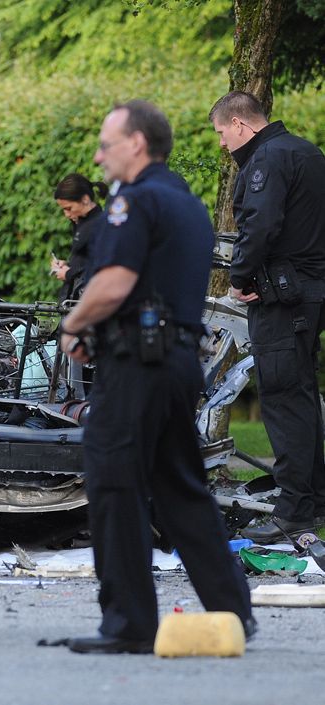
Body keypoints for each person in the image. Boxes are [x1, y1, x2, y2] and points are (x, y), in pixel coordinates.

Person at [57, 100, 254, 654]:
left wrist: (73, 324)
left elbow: (115, 281)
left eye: (106, 144)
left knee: (115, 483)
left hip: (136, 365)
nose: (99, 157)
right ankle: (235, 612)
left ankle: (128, 624)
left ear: (136, 144)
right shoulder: (187, 204)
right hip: (178, 362)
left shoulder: (134, 201)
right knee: (180, 489)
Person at [209, 91, 325, 543]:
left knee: (282, 399)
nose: (221, 143)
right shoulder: (308, 152)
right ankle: (312, 498)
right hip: (311, 293)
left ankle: (294, 511)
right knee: (301, 396)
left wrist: (238, 279)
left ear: (240, 124)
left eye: (221, 132)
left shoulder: (266, 161)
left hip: (281, 296)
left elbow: (259, 225)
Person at [50, 173, 107, 301]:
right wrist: (66, 264)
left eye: (69, 208)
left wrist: (68, 273)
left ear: (85, 199)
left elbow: (99, 265)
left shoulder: (99, 224)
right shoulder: (82, 223)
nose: (66, 214)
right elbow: (83, 260)